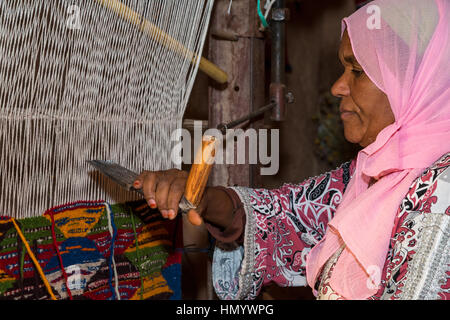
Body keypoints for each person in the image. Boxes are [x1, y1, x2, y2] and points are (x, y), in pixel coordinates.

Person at [133, 0, 450, 300]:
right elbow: (287, 216)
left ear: (417, 81)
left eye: (358, 71)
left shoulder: (441, 190)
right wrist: (202, 199)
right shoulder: (371, 174)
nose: (337, 87)